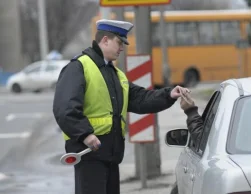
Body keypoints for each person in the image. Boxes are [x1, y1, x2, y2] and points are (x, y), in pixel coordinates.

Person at [52, 19, 190, 194]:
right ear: (105, 40)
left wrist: (169, 94)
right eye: (119, 42)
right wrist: (85, 135)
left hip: (110, 156)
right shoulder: (79, 67)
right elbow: (64, 108)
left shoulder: (115, 74)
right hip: (89, 154)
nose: (122, 48)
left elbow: (140, 98)